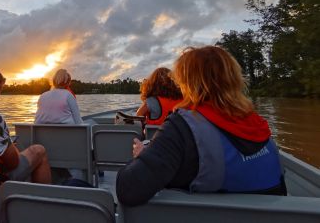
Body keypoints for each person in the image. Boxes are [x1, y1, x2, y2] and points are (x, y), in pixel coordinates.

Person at [116, 46, 286, 206]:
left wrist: (141, 157)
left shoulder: (182, 126)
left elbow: (128, 190)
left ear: (188, 84)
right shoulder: (258, 124)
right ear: (234, 78)